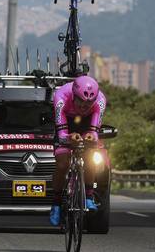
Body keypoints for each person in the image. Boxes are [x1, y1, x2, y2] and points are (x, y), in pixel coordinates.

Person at [50, 75, 107, 226]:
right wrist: (68, 137)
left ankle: (88, 196)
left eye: (88, 103)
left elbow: (94, 132)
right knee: (62, 164)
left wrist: (91, 136)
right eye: (81, 101)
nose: (83, 106)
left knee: (90, 157)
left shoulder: (100, 101)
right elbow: (62, 135)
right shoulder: (61, 96)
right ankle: (56, 203)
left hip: (86, 123)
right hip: (66, 122)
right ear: (74, 95)